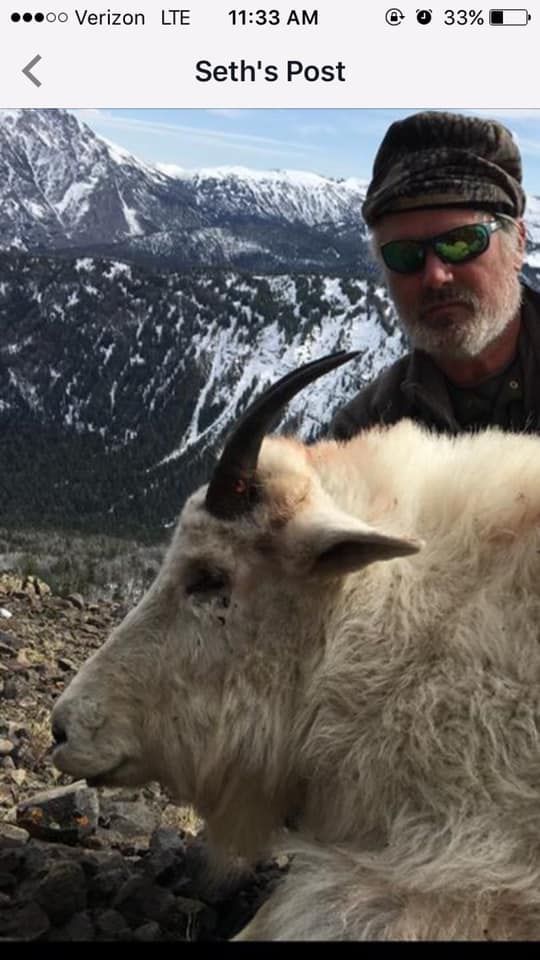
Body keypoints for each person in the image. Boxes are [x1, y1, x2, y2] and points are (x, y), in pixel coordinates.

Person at [331, 111, 540, 440]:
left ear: (517, 245)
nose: (434, 276)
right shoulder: (366, 435)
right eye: (405, 254)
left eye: (461, 243)